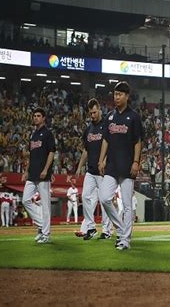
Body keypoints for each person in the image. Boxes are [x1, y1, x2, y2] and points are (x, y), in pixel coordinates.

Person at [98, 81, 144, 251]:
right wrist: (101, 159)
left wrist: (136, 162)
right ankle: (121, 229)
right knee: (104, 198)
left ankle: (125, 240)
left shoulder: (134, 117)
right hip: (111, 164)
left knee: (126, 205)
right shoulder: (110, 116)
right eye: (115, 94)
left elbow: (138, 141)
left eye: (119, 94)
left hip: (127, 165)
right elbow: (105, 140)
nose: (116, 97)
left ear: (127, 96)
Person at [75, 98, 111, 241]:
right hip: (90, 170)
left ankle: (106, 230)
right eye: (91, 113)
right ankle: (90, 227)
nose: (93, 115)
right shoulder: (88, 129)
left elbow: (110, 147)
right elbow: (85, 150)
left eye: (95, 112)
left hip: (103, 171)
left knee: (104, 201)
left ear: (100, 110)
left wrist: (104, 162)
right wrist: (79, 167)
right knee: (84, 197)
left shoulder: (107, 126)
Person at [21, 108, 56, 244]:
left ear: (43, 118)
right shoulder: (33, 135)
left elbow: (52, 152)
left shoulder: (48, 134)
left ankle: (46, 234)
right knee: (25, 200)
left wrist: (46, 169)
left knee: (46, 206)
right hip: (32, 174)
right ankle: (42, 225)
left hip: (43, 175)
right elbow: (31, 155)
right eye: (34, 116)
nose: (35, 118)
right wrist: (26, 171)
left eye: (38, 116)